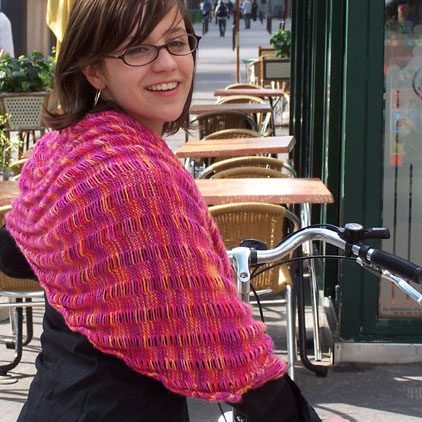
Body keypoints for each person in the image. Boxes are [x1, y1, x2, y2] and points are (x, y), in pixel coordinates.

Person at [1, 0, 349, 421]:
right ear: (93, 70)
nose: (166, 63)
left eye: (177, 42)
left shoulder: (65, 146)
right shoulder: (135, 179)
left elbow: (14, 254)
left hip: (53, 399)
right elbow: (229, 351)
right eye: (137, 49)